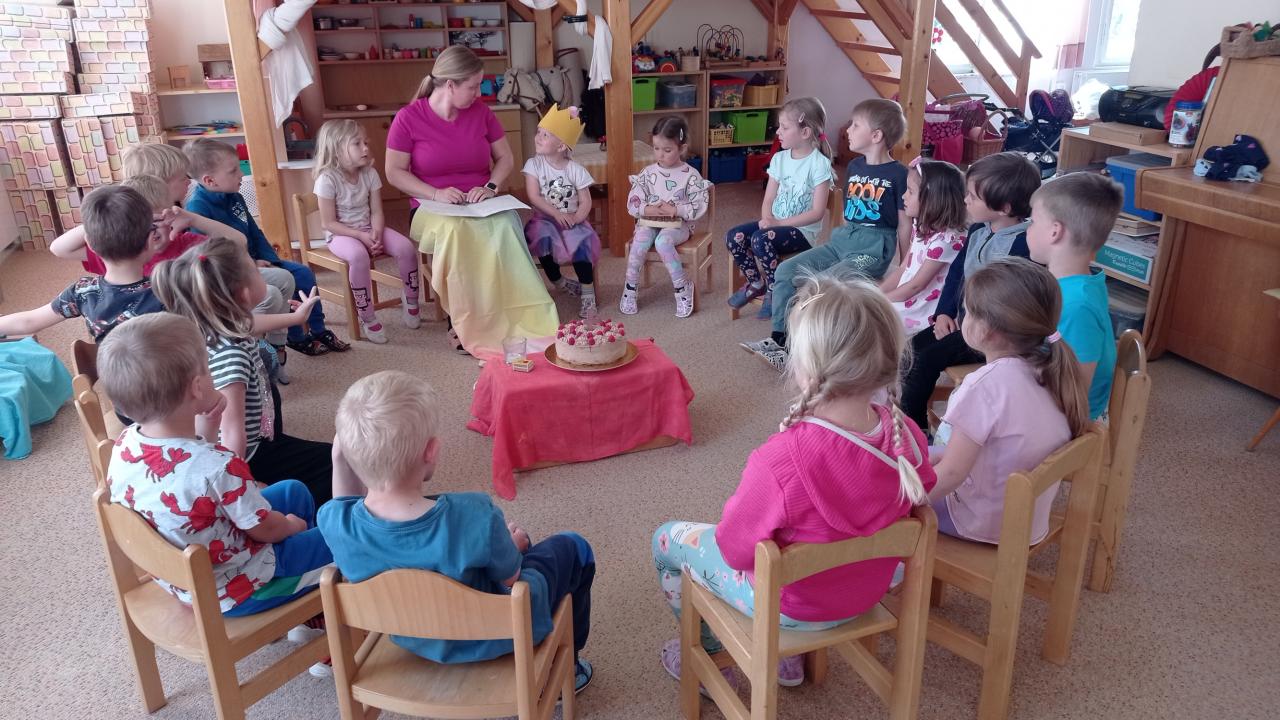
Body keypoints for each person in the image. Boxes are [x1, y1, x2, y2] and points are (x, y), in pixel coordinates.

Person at [652, 267, 935, 690]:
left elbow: (734, 550)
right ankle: (790, 659)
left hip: (790, 609)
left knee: (667, 539)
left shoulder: (781, 460)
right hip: (865, 594)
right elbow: (916, 497)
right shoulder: (907, 436)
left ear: (805, 369)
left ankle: (711, 658)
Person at [318, 370, 596, 691]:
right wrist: (513, 546)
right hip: (494, 634)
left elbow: (343, 504)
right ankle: (565, 672)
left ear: (345, 453)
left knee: (506, 549)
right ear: (431, 451)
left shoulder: (335, 523)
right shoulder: (474, 514)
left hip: (413, 636)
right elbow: (511, 579)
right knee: (573, 547)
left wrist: (340, 460)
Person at [99, 313, 333, 617]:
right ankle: (307, 602)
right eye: (209, 368)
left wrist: (208, 428)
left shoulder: (125, 443)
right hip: (241, 588)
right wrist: (291, 526)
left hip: (191, 577)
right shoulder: (220, 466)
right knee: (343, 535)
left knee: (293, 491)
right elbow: (264, 529)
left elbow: (193, 476)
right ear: (197, 387)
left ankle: (304, 587)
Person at [384, 45, 557, 356]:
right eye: (474, 86)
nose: (479, 93)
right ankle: (463, 320)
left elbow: (505, 158)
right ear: (450, 85)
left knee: (507, 225)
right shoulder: (408, 118)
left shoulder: (482, 113)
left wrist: (490, 186)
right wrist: (435, 193)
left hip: (480, 200)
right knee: (457, 234)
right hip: (430, 205)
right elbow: (394, 172)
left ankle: (511, 313)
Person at [152, 237, 335, 504]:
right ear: (245, 294)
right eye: (256, 270)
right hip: (249, 455)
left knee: (274, 401)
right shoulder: (232, 356)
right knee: (331, 463)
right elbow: (231, 433)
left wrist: (297, 318)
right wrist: (239, 487)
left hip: (259, 432)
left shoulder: (216, 323)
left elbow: (251, 323)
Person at [928, 258, 1089, 543]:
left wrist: (896, 502)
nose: (963, 317)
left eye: (967, 311)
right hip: (1027, 521)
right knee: (921, 456)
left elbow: (951, 473)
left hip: (979, 522)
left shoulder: (983, 387)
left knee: (889, 495)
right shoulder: (1050, 370)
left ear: (986, 331)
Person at [742, 98, 910, 372]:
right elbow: (848, 211)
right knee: (785, 271)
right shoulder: (854, 167)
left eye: (856, 125)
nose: (848, 130)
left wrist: (905, 265)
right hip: (844, 239)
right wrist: (841, 236)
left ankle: (804, 347)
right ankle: (780, 341)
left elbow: (904, 223)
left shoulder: (899, 174)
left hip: (873, 247)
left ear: (876, 136)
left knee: (821, 285)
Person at [115, 142, 298, 378]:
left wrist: (191, 218)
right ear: (160, 183)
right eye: (182, 176)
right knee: (270, 294)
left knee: (284, 278)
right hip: (198, 300)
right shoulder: (148, 236)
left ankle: (272, 348)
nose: (189, 181)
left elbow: (238, 241)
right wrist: (108, 212)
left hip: (210, 277)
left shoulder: (182, 213)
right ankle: (245, 345)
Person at [900, 152, 1040, 430]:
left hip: (991, 335)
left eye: (973, 197)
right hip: (963, 322)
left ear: (1004, 208)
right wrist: (943, 313)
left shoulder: (1024, 244)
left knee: (926, 360)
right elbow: (956, 274)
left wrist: (972, 327)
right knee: (911, 351)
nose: (965, 200)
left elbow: (1012, 304)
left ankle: (914, 429)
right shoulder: (977, 229)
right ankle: (908, 413)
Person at [185, 138, 350, 357]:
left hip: (260, 260)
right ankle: (296, 337)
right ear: (210, 180)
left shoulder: (236, 197)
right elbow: (211, 255)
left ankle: (318, 330)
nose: (241, 174)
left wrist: (269, 259)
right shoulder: (197, 208)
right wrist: (252, 264)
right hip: (235, 271)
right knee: (283, 283)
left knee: (303, 274)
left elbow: (255, 232)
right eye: (233, 171)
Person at [0, 185, 166, 341]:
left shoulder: (83, 291)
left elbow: (29, 321)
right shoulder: (168, 289)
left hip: (107, 363)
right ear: (150, 240)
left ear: (90, 244)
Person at [313, 119, 422, 344]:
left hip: (368, 229)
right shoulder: (327, 179)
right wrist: (361, 236)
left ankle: (411, 299)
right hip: (341, 235)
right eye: (357, 143)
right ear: (336, 149)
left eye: (365, 142)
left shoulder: (370, 173)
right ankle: (367, 314)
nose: (365, 148)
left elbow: (377, 211)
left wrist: (377, 232)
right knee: (358, 256)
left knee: (406, 248)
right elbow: (328, 223)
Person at [726, 97, 835, 320]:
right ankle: (756, 283)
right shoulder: (779, 159)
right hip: (775, 226)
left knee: (760, 240)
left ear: (805, 132)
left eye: (784, 127)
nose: (778, 132)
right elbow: (768, 199)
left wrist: (777, 223)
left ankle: (776, 290)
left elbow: (817, 213)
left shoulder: (818, 164)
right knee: (733, 237)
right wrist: (767, 219)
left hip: (802, 232)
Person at [1025, 173, 1122, 420]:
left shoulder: (1076, 306)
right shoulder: (1076, 286)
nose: (1028, 229)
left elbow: (1071, 398)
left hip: (1068, 426)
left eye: (1033, 221)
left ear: (1055, 232)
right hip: (1049, 404)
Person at [621, 116, 712, 318]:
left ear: (682, 148)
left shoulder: (690, 175)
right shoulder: (647, 173)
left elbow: (698, 205)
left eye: (667, 150)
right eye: (656, 148)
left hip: (678, 226)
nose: (660, 155)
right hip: (649, 222)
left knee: (663, 243)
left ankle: (682, 287)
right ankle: (630, 287)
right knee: (640, 240)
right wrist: (648, 209)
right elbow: (633, 202)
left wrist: (675, 210)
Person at [522, 104, 600, 319]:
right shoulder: (534, 165)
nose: (538, 137)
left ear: (561, 146)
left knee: (581, 244)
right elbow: (534, 196)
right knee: (541, 240)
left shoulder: (576, 170)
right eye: (538, 132)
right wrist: (556, 214)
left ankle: (588, 296)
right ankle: (560, 282)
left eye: (545, 135)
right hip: (544, 220)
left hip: (572, 220)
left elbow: (585, 200)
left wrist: (577, 218)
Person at [879, 158, 968, 335]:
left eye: (910, 191)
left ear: (933, 199)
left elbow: (916, 286)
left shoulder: (947, 240)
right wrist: (877, 294)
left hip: (920, 308)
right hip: (907, 295)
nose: (903, 196)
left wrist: (880, 300)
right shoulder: (921, 225)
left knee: (873, 319)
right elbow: (904, 268)